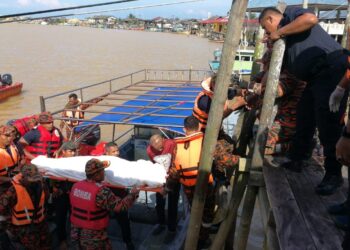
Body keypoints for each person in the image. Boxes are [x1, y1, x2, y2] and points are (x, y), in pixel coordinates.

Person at [259, 6, 349, 195]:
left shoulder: (290, 15)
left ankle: (334, 175)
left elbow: (310, 19)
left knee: (328, 124)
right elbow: (272, 71)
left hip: (331, 68)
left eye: (266, 29)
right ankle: (298, 158)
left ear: (269, 20)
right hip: (314, 78)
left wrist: (279, 32)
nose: (268, 33)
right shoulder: (284, 41)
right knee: (304, 116)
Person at [166, 116, 215, 249]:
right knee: (208, 214)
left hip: (189, 189)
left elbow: (174, 172)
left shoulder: (177, 146)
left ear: (184, 129)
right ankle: (204, 239)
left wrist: (168, 189)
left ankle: (196, 234)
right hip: (206, 187)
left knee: (195, 211)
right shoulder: (206, 141)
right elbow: (223, 159)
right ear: (199, 127)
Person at [246, 49, 307, 155]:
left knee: (260, 147)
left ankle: (293, 147)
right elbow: (258, 77)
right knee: (255, 140)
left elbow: (274, 92)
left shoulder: (291, 74)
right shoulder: (275, 72)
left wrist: (249, 86)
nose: (263, 67)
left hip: (288, 125)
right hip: (280, 120)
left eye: (265, 64)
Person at [70, 158, 140, 250]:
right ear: (97, 174)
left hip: (76, 233)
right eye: (103, 171)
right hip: (93, 236)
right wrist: (133, 194)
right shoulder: (101, 191)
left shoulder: (76, 186)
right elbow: (121, 207)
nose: (104, 173)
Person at [0, 164, 51, 249]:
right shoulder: (14, 190)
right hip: (30, 227)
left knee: (43, 245)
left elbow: (2, 208)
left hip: (33, 226)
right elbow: (2, 208)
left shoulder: (41, 185)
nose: (34, 181)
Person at [146, 134, 180, 239]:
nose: (159, 150)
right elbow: (154, 164)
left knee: (172, 205)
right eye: (156, 148)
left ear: (163, 140)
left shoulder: (172, 144)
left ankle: (171, 229)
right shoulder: (149, 151)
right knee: (159, 203)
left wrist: (168, 186)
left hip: (174, 177)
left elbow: (177, 162)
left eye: (161, 147)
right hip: (161, 178)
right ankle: (161, 223)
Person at [104, 142, 135, 250]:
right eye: (114, 152)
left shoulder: (123, 160)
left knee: (123, 221)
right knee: (102, 218)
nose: (117, 153)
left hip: (120, 196)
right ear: (106, 153)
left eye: (117, 151)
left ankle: (128, 242)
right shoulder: (101, 163)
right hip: (105, 195)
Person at [0, 125, 21, 249]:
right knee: (2, 219)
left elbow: (18, 162)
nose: (10, 138)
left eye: (11, 135)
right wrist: (10, 179)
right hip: (2, 189)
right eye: (6, 136)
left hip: (14, 186)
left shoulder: (13, 147)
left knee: (15, 214)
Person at [53, 141, 77, 249]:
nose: (73, 153)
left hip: (74, 195)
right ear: (63, 151)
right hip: (61, 195)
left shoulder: (78, 163)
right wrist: (54, 188)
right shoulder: (57, 164)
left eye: (74, 151)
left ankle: (74, 238)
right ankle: (62, 240)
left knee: (75, 218)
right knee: (60, 218)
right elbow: (51, 178)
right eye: (70, 151)